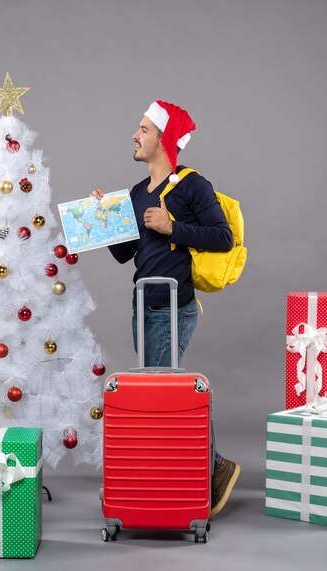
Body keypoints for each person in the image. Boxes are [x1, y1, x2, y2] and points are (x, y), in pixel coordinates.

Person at [91, 100, 240, 519]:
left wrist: (173, 227)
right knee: (166, 389)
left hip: (174, 306)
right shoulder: (138, 193)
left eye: (142, 129)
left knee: (161, 394)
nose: (134, 136)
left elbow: (223, 237)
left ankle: (200, 473)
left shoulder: (192, 186)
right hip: (145, 305)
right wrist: (106, 219)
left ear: (163, 138)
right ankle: (204, 469)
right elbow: (125, 254)